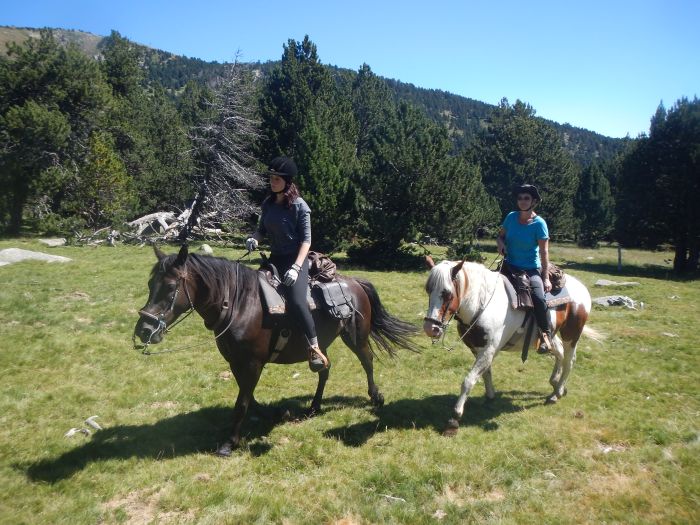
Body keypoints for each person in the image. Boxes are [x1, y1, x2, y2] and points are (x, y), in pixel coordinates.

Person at [245, 156, 329, 372]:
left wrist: (296, 267)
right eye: (271, 178)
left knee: (297, 300)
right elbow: (262, 230)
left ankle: (314, 348)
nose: (272, 182)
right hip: (274, 260)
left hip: (295, 260)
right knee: (252, 291)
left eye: (277, 179)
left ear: (287, 182)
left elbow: (306, 241)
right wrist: (255, 238)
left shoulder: (300, 207)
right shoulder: (268, 203)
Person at [496, 184, 553, 354]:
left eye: (526, 198)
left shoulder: (539, 224)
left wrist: (545, 278)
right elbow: (500, 236)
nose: (522, 201)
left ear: (533, 201)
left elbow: (544, 252)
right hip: (509, 266)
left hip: (530, 270)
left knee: (539, 297)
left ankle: (545, 335)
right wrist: (500, 244)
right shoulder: (511, 217)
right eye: (520, 198)